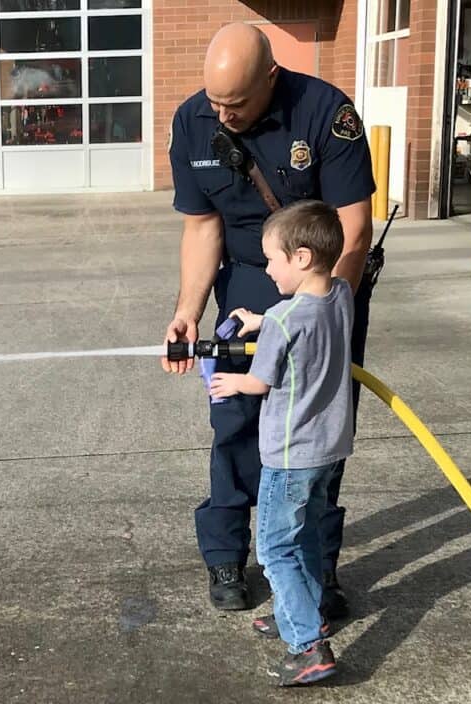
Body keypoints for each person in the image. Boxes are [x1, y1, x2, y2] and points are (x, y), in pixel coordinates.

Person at [160, 22, 375, 617]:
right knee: (235, 420)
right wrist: (187, 312)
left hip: (327, 285)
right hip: (250, 280)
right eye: (215, 101)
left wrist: (320, 315)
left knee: (315, 434)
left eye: (237, 102)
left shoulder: (325, 114)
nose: (223, 114)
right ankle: (227, 553)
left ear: (271, 78)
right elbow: (203, 227)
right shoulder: (192, 121)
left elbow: (352, 231)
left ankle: (314, 567)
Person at [208, 200, 352, 685]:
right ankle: (304, 612)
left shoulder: (287, 321)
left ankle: (308, 645)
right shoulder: (342, 296)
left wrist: (231, 383)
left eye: (273, 260)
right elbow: (304, 313)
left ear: (303, 258)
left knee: (275, 549)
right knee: (306, 536)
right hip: (328, 449)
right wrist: (261, 320)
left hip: (289, 455)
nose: (267, 269)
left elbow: (261, 380)